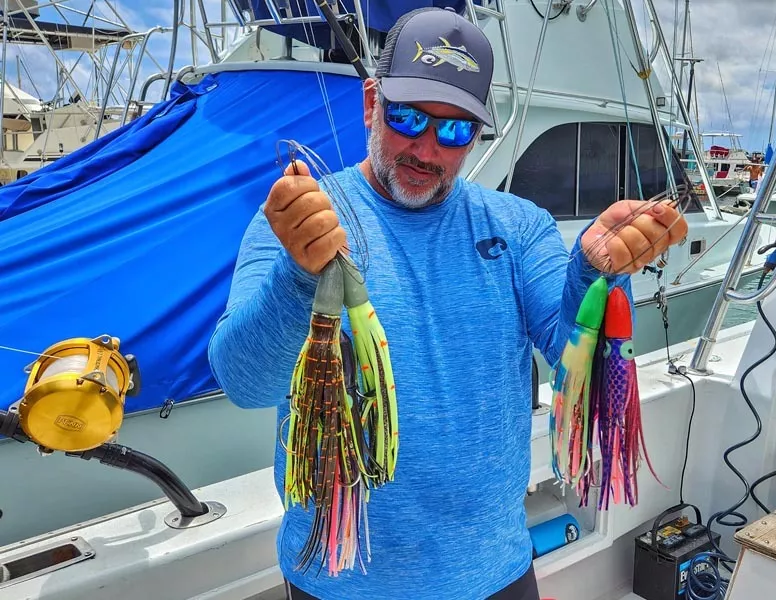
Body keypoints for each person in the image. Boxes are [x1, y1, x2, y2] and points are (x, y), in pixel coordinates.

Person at [208, 7, 687, 600]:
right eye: (408, 118)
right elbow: (245, 383)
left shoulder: (518, 226)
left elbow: (571, 355)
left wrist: (598, 271)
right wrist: (298, 276)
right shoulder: (303, 222)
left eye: (455, 130)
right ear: (370, 103)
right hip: (340, 582)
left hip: (494, 572)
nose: (428, 149)